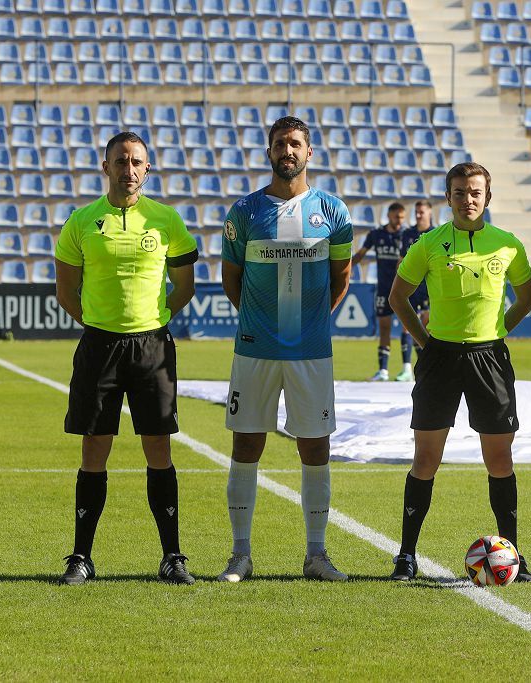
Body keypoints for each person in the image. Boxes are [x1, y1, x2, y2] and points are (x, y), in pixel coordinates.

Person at [54, 131, 200, 585]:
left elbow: (185, 287)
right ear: (106, 167)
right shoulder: (80, 222)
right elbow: (65, 292)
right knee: (94, 446)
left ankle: (172, 556)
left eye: (137, 162)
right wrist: (102, 323)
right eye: (121, 161)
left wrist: (151, 321)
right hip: (99, 346)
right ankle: (81, 557)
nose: (129, 169)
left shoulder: (167, 220)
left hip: (152, 346)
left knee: (158, 445)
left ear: (148, 169)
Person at [218, 116, 353, 583]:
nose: (287, 151)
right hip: (254, 349)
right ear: (269, 152)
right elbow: (231, 280)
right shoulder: (244, 212)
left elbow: (341, 279)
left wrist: (309, 322)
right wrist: (262, 322)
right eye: (280, 144)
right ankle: (240, 555)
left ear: (309, 152)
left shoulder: (334, 211)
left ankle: (316, 555)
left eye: (295, 143)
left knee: (315, 447)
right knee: (246, 444)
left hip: (311, 352)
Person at [387, 162, 531, 582]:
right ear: (448, 197)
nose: (467, 199)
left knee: (499, 459)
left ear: (487, 197)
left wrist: (499, 330)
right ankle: (406, 555)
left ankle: (515, 554)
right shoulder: (429, 243)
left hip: (490, 359)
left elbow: (526, 298)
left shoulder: (507, 245)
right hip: (440, 359)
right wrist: (425, 342)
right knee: (426, 458)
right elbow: (399, 297)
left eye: (474, 192)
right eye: (458, 192)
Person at [352, 202, 407, 381]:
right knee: (384, 327)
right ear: (389, 216)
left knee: (407, 327)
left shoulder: (407, 235)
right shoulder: (376, 234)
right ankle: (383, 370)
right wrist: (347, 267)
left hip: (404, 287)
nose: (400, 221)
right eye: (397, 217)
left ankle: (407, 368)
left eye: (402, 218)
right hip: (384, 287)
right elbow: (361, 254)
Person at [397, 199, 435, 376]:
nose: (419, 215)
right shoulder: (407, 234)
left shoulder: (436, 234)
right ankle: (406, 369)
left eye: (422, 212)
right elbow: (402, 259)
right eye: (417, 212)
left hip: (429, 288)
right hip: (411, 286)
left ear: (430, 213)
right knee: (407, 325)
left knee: (426, 328)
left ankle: (425, 365)